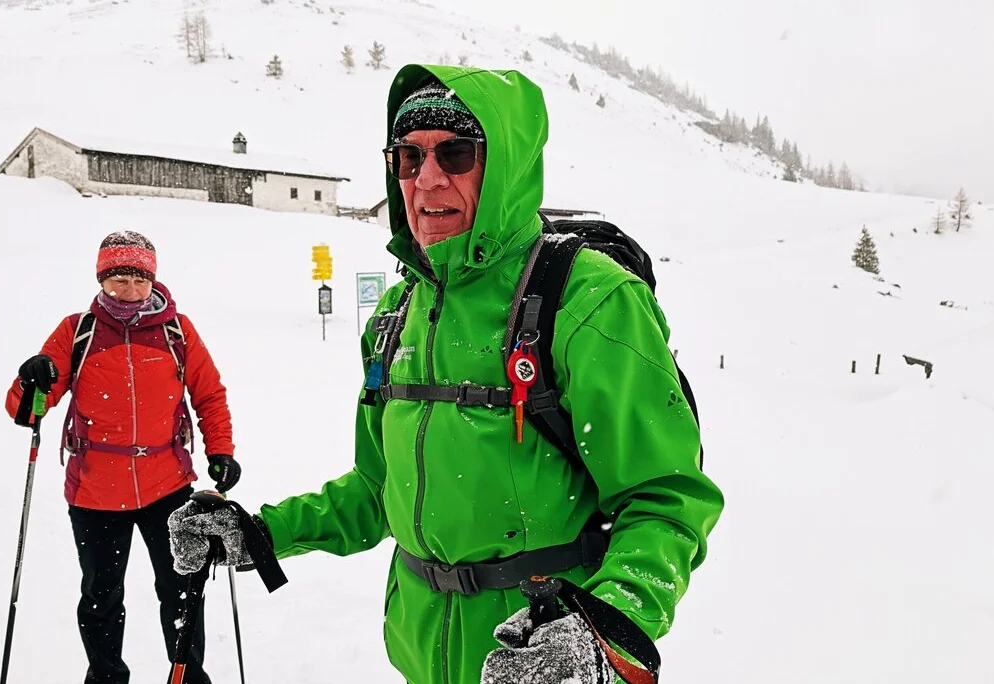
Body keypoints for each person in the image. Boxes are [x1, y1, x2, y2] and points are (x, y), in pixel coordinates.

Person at [167, 65, 725, 684]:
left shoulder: (587, 299)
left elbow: (667, 498)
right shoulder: (396, 315)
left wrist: (607, 629)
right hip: (421, 652)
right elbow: (380, 491)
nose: (426, 177)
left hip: (539, 662)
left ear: (504, 167)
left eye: (455, 153)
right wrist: (262, 532)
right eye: (407, 158)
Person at [7, 231, 238, 684]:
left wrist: (222, 450)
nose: (129, 291)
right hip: (94, 491)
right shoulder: (77, 331)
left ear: (153, 280)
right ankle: (107, 677)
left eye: (138, 279)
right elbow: (25, 411)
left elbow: (209, 395)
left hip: (167, 487)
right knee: (101, 595)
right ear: (101, 279)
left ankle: (187, 676)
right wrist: (30, 379)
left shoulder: (178, 331)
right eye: (118, 279)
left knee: (181, 591)